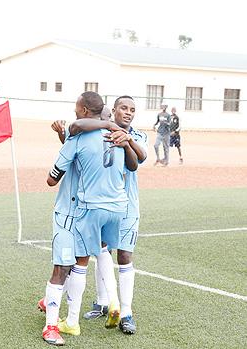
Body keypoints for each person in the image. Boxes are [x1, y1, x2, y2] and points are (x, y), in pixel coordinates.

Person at [45, 91, 138, 344]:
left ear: (86, 111)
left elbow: (53, 178)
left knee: (74, 264)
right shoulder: (119, 138)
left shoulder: (79, 136)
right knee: (103, 251)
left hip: (80, 209)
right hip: (118, 208)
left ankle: (69, 321)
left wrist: (66, 147)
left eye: (77, 107)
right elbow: (135, 164)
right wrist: (126, 140)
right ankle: (116, 302)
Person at [83, 96, 148, 335]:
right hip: (104, 204)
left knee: (124, 255)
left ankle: (126, 312)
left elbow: (140, 158)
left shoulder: (139, 136)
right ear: (114, 111)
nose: (128, 113)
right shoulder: (102, 133)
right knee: (101, 251)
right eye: (123, 108)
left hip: (128, 206)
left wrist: (128, 139)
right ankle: (102, 302)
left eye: (132, 110)